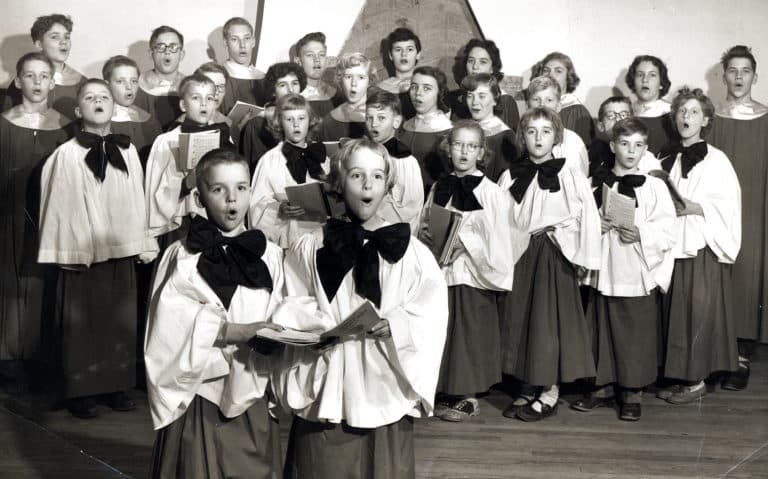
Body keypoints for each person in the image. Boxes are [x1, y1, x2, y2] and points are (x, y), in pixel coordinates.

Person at [271, 138, 448, 478]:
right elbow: (289, 300)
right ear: (338, 183)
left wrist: (397, 322)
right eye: (356, 175)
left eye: (377, 176)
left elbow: (431, 309)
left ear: (388, 185)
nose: (368, 184)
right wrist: (317, 325)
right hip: (327, 378)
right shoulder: (310, 246)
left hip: (382, 379)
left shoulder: (412, 253)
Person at [145, 148, 283, 478]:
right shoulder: (180, 257)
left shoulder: (272, 255)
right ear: (199, 195)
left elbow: (282, 309)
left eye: (241, 188)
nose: (231, 199)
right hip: (199, 391)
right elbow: (167, 326)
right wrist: (233, 331)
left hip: (250, 384)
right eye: (218, 189)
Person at [37, 79, 158, 418]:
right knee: (82, 324)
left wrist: (141, 241)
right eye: (89, 98)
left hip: (120, 249)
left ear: (114, 107)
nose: (97, 101)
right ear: (79, 111)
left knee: (119, 320)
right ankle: (81, 392)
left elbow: (137, 197)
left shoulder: (129, 151)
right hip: (85, 254)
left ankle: (116, 386)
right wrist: (76, 250)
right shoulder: (67, 155)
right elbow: (59, 206)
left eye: (103, 96)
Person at [498, 107, 601, 421]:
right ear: (522, 137)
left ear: (557, 136)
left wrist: (559, 233)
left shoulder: (569, 174)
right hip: (521, 255)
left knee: (548, 325)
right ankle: (529, 383)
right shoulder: (510, 175)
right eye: (531, 131)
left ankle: (550, 389)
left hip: (555, 256)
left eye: (545, 131)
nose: (538, 137)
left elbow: (587, 219)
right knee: (522, 319)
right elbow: (499, 218)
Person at [573, 118, 676, 421]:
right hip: (606, 262)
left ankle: (632, 392)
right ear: (612, 145)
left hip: (635, 264)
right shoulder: (597, 182)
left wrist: (642, 233)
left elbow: (668, 228)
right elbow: (580, 221)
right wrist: (597, 225)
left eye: (638, 145)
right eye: (624, 144)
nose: (631, 151)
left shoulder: (655, 185)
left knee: (635, 327)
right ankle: (601, 387)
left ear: (646, 148)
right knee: (600, 323)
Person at [421, 120, 512, 422]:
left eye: (471, 146)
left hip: (472, 273)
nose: (464, 151)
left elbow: (498, 238)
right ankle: (445, 388)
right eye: (458, 144)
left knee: (469, 331)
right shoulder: (440, 185)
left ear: (481, 152)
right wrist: (431, 236)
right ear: (449, 148)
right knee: (445, 330)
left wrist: (465, 243)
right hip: (442, 270)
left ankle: (469, 395)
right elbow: (426, 222)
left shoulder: (490, 192)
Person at [657, 87, 741, 405]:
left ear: (705, 119)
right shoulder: (668, 158)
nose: (686, 117)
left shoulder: (718, 160)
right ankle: (683, 378)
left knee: (696, 312)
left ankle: (696, 382)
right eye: (681, 111)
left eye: (693, 112)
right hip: (674, 244)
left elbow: (729, 205)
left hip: (700, 247)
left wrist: (693, 207)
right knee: (678, 314)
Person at [0, 52, 71, 391]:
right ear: (18, 81)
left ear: (53, 81)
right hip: (8, 217)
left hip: (49, 220)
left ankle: (40, 359)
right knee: (10, 284)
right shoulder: (3, 123)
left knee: (44, 283)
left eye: (44, 75)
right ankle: (9, 359)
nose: (38, 82)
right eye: (30, 75)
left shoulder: (66, 127)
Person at [708, 45, 768, 390]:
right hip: (720, 208)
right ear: (724, 75)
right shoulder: (712, 118)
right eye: (733, 70)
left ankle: (741, 358)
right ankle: (719, 353)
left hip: (754, 206)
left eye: (746, 71)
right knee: (720, 273)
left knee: (747, 274)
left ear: (755, 77)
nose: (739, 77)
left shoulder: (764, 118)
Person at [144, 74, 231, 243]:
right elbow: (154, 187)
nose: (204, 104)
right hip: (180, 223)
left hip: (215, 217)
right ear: (183, 105)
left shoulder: (224, 138)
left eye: (209, 98)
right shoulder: (167, 140)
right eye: (196, 98)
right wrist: (185, 184)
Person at [249, 93, 329, 248]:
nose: (296, 125)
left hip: (321, 237)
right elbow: (256, 205)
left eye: (301, 118)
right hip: (287, 238)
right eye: (289, 119)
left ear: (310, 121)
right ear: (279, 123)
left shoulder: (321, 157)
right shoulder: (269, 161)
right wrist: (279, 209)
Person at [2, 14, 86, 120]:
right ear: (39, 45)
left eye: (67, 37)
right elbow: (8, 122)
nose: (64, 42)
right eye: (55, 37)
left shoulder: (84, 83)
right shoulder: (22, 83)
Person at [365, 89, 423, 233]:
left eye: (381, 118)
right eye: (369, 118)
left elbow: (411, 208)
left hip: (390, 233)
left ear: (396, 121)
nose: (374, 124)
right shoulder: (363, 155)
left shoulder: (405, 161)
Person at [241, 62, 307, 172]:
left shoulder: (307, 114)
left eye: (294, 83)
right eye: (283, 85)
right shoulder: (257, 123)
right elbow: (256, 168)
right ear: (273, 92)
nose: (290, 90)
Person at [399, 65, 453, 193]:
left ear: (439, 92)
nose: (418, 93)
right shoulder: (404, 125)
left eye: (427, 88)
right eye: (414, 87)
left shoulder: (448, 130)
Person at [103, 55, 162, 168]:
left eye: (134, 81)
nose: (129, 87)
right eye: (120, 81)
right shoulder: (100, 122)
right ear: (107, 85)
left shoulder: (149, 121)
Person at [448, 39, 520, 130]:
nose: (475, 66)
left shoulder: (505, 101)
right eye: (471, 61)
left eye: (482, 62)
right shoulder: (456, 100)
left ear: (492, 69)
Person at [526, 75, 589, 176]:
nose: (542, 105)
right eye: (536, 99)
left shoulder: (572, 141)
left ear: (559, 106)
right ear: (528, 105)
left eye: (549, 100)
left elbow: (578, 181)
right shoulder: (521, 137)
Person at [461, 73, 517, 181]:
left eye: (482, 96)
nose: (474, 102)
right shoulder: (463, 130)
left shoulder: (505, 136)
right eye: (470, 96)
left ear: (495, 100)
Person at [531, 52, 594, 144]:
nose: (550, 75)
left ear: (568, 77)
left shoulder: (576, 111)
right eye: (546, 70)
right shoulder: (534, 105)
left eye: (558, 71)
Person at [588, 96, 660, 176]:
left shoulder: (646, 159)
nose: (618, 120)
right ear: (600, 126)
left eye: (623, 115)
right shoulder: (592, 156)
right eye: (611, 116)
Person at [135, 26, 186, 130]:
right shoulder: (135, 85)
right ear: (151, 54)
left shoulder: (192, 87)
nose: (167, 52)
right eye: (160, 47)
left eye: (173, 47)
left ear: (181, 54)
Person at [625, 55, 676, 154]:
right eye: (640, 75)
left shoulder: (671, 113)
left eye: (652, 75)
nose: (645, 80)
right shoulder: (626, 112)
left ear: (661, 83)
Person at [318, 52, 373, 141]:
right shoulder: (329, 123)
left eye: (361, 77)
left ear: (369, 81)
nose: (354, 83)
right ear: (340, 80)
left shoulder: (386, 112)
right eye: (348, 77)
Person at [220, 17, 265, 115]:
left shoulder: (264, 78)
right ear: (225, 43)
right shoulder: (218, 77)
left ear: (253, 42)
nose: (242, 45)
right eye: (235, 39)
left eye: (247, 38)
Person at [377, 27, 421, 119]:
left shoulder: (429, 85)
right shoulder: (378, 89)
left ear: (418, 54)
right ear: (390, 55)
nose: (404, 54)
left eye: (409, 49)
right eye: (398, 49)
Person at [294, 32, 338, 118]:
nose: (317, 60)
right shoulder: (291, 96)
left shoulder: (337, 93)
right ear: (298, 61)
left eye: (321, 55)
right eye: (310, 55)